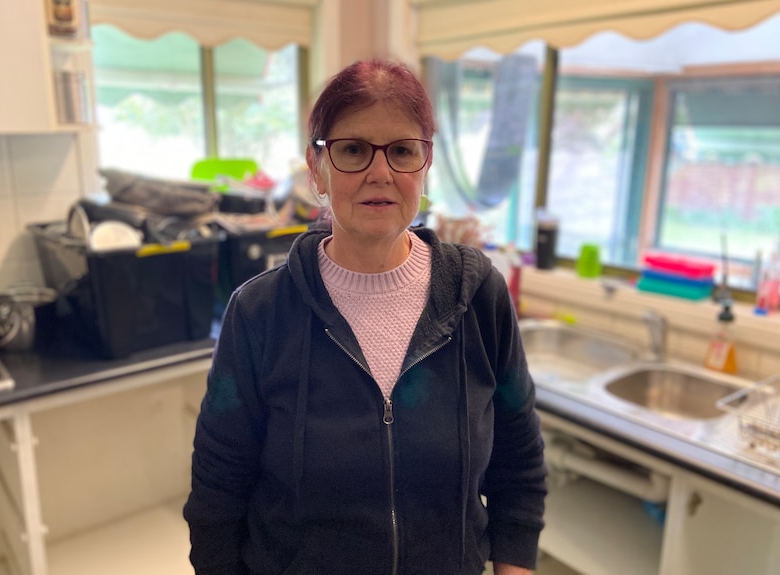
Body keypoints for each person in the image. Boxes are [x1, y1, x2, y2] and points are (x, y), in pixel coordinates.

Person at [184, 58, 547, 575]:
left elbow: (519, 465)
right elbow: (217, 495)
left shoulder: (477, 296)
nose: (381, 172)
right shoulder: (260, 313)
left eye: (402, 151)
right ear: (317, 171)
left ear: (425, 166)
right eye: (352, 150)